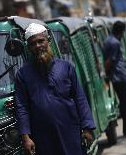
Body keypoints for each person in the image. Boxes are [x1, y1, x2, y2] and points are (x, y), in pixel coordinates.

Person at [14, 23, 96, 155]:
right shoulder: (23, 75)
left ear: (49, 41)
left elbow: (79, 98)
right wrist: (26, 136)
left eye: (41, 41)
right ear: (28, 48)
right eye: (33, 44)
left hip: (71, 133)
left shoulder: (66, 67)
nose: (38, 46)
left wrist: (87, 128)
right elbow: (22, 107)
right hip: (43, 139)